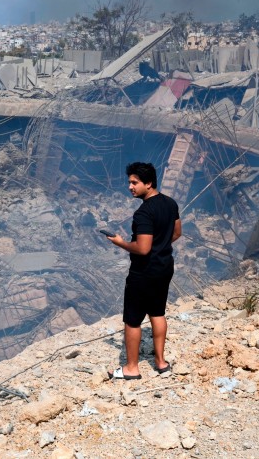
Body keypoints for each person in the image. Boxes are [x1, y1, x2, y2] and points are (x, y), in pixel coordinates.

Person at [104, 162, 181, 380]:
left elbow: (143, 248)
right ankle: (161, 362)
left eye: (134, 182)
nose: (130, 186)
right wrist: (162, 244)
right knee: (157, 313)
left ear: (148, 183)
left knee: (133, 319)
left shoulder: (144, 213)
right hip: (164, 267)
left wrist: (120, 242)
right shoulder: (170, 203)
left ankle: (131, 368)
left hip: (144, 271)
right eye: (129, 182)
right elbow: (177, 232)